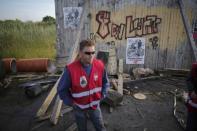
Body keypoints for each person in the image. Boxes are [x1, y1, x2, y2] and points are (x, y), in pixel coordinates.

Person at [57, 39, 110, 131]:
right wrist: (71, 103)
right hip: (79, 108)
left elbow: (106, 82)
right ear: (80, 53)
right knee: (82, 129)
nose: (91, 56)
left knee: (100, 127)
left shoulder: (100, 66)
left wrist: (102, 95)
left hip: (95, 106)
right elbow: (62, 90)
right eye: (88, 53)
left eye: (93, 53)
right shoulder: (71, 70)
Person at [185, 62, 197, 131]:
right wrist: (192, 90)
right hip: (193, 105)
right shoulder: (195, 67)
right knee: (191, 124)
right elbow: (188, 79)